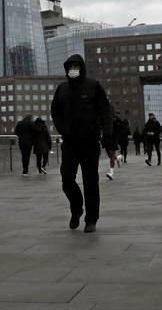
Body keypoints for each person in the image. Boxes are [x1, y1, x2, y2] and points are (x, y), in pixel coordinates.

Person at [51, 54, 116, 233]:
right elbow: (55, 111)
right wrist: (63, 129)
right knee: (67, 179)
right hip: (70, 142)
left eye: (76, 66)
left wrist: (108, 137)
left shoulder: (93, 86)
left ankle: (91, 219)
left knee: (90, 182)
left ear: (81, 67)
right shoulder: (62, 89)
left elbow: (106, 112)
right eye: (70, 66)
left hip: (90, 142)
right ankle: (77, 208)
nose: (73, 69)